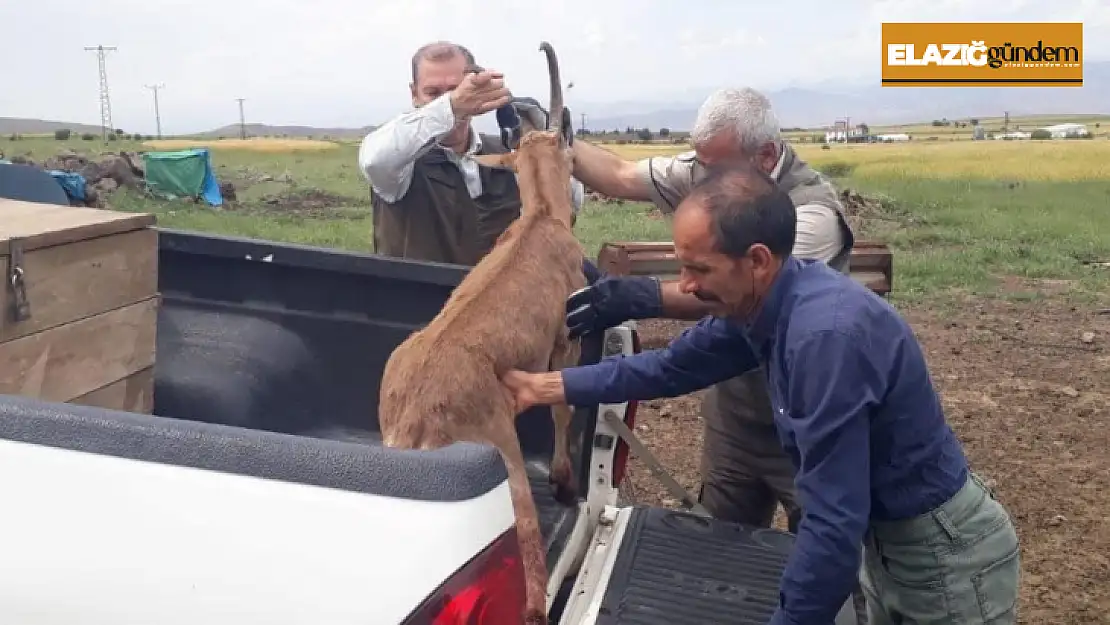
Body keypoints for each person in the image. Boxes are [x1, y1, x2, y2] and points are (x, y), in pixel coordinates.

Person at [500, 165, 1022, 625]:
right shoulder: (762, 303)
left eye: (699, 269)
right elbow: (671, 366)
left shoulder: (824, 341)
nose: (685, 285)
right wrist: (547, 385)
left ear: (756, 259)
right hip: (888, 544)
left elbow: (833, 520)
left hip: (939, 558)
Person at [568, 87, 852, 532]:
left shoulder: (812, 216)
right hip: (736, 410)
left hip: (806, 420)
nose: (703, 177)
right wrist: (558, 135)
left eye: (715, 166)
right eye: (699, 164)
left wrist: (642, 295)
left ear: (765, 156)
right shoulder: (715, 172)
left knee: (821, 542)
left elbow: (735, 294)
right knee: (721, 538)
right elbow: (620, 175)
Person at [358, 40, 585, 266]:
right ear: (414, 94)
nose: (450, 99)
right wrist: (452, 106)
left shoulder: (509, 154)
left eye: (456, 90)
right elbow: (373, 160)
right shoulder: (399, 166)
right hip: (418, 299)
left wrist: (545, 151)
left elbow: (571, 201)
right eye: (432, 93)